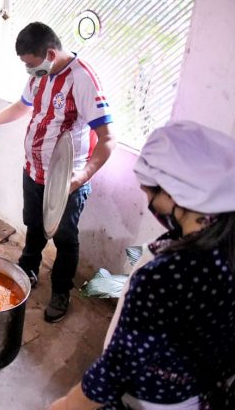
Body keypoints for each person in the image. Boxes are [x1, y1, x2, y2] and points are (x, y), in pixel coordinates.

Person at [50, 121, 235, 410]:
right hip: (207, 393)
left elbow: (119, 365)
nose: (148, 201)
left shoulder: (164, 275)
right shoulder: (225, 245)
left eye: (150, 193)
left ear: (173, 193)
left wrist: (65, 405)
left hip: (151, 399)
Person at [0, 22, 116, 322]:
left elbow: (107, 139)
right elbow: (22, 107)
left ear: (50, 54)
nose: (29, 71)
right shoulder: (39, 75)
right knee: (33, 225)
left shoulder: (82, 79)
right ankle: (28, 268)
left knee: (65, 238)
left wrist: (82, 177)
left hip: (65, 181)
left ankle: (61, 291)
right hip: (33, 171)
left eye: (31, 64)